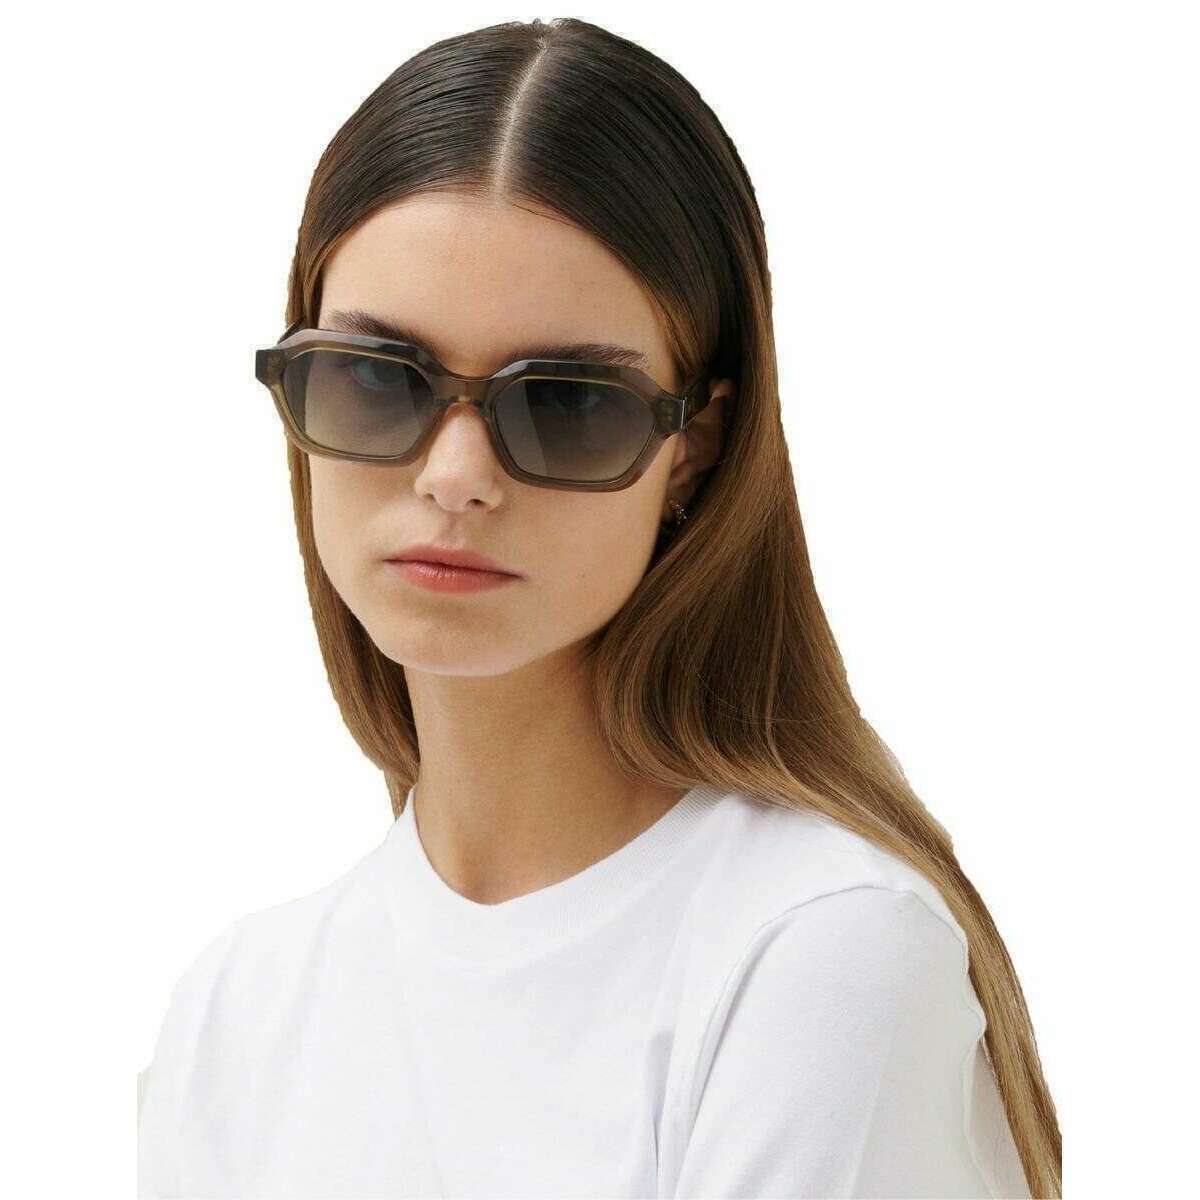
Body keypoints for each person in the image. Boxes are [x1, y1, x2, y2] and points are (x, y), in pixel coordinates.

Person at [138, 16, 1060, 1199]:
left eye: (567, 402)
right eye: (376, 379)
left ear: (694, 449)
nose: (455, 474)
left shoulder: (818, 954)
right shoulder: (237, 1015)